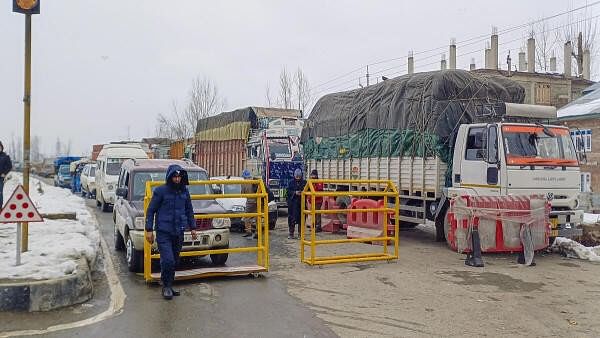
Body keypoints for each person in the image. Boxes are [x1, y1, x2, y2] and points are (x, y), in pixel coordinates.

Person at [145, 164, 197, 300]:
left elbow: (189, 210)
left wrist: (193, 228)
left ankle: (169, 284)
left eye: (179, 177)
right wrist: (149, 230)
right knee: (167, 260)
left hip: (179, 231)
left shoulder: (184, 192)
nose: (177, 179)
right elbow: (151, 211)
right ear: (170, 177)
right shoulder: (160, 191)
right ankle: (166, 287)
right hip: (164, 231)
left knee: (174, 260)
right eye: (175, 176)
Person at [287, 168, 306, 239]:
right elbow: (288, 192)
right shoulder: (291, 182)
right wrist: (295, 193)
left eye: (299, 177)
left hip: (301, 203)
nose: (298, 178)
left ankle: (300, 234)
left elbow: (308, 190)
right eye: (296, 176)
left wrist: (302, 193)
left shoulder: (304, 182)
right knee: (291, 218)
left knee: (301, 219)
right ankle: (291, 233)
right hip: (292, 204)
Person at [240, 169, 258, 239]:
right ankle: (257, 232)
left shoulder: (244, 183)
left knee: (246, 217)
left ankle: (248, 232)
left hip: (250, 202)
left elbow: (242, 194)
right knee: (257, 217)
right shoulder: (254, 181)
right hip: (257, 201)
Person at [0, 141, 12, 208]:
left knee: (0, 192)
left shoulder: (5, 156)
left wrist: (4, 173)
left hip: (0, 178)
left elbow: (9, 166)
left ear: (2, 147)